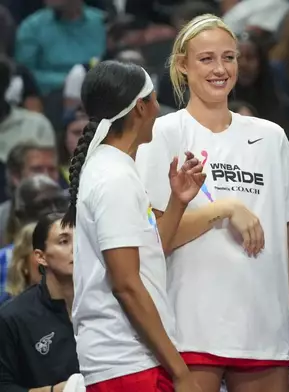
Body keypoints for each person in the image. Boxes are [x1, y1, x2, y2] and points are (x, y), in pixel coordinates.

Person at [135, 14, 289, 392]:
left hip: (264, 329)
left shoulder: (271, 137)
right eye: (207, 59)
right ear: (183, 65)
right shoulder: (164, 133)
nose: (220, 69)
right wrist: (224, 208)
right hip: (189, 329)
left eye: (229, 57)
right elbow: (154, 242)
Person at [61, 60, 204, 391]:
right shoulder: (114, 177)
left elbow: (150, 255)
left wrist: (178, 201)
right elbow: (125, 284)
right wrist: (181, 372)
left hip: (129, 360)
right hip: (130, 361)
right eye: (154, 99)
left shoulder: (113, 169)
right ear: (140, 107)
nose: (158, 108)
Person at [0, 213, 79, 391]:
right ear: (40, 257)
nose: (76, 248)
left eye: (80, 239)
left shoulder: (107, 302)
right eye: (64, 241)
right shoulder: (13, 317)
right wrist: (54, 391)